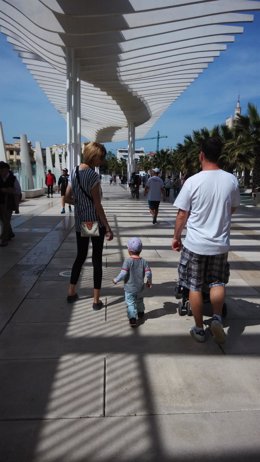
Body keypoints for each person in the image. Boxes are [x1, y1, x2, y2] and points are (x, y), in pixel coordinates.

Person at [172, 137, 240, 344]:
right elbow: (233, 207)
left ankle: (200, 329)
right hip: (219, 244)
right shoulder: (231, 180)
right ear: (219, 155)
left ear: (201, 155)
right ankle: (217, 318)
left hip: (195, 244)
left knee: (194, 285)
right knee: (217, 281)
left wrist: (176, 237)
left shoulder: (193, 181)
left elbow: (182, 214)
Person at [65, 142, 113, 309]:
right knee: (97, 259)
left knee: (80, 256)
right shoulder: (93, 176)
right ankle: (96, 300)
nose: (102, 161)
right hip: (93, 222)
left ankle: (71, 292)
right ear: (95, 156)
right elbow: (98, 205)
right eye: (101, 157)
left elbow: (67, 197)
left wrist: (78, 202)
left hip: (81, 222)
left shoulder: (74, 171)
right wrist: (107, 227)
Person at [113, 237, 152, 327]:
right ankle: (141, 313)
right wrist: (149, 281)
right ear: (141, 250)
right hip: (140, 288)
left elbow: (123, 273)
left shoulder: (127, 261)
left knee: (130, 303)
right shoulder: (144, 262)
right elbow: (148, 273)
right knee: (139, 301)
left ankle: (133, 319)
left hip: (129, 289)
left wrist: (116, 280)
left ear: (129, 250)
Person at [0, 161, 21, 246]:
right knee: (4, 220)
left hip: (9, 203)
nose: (1, 172)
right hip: (0, 202)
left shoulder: (13, 179)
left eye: (2, 170)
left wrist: (9, 190)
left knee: (5, 221)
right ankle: (10, 233)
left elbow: (18, 192)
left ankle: (3, 239)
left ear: (7, 170)